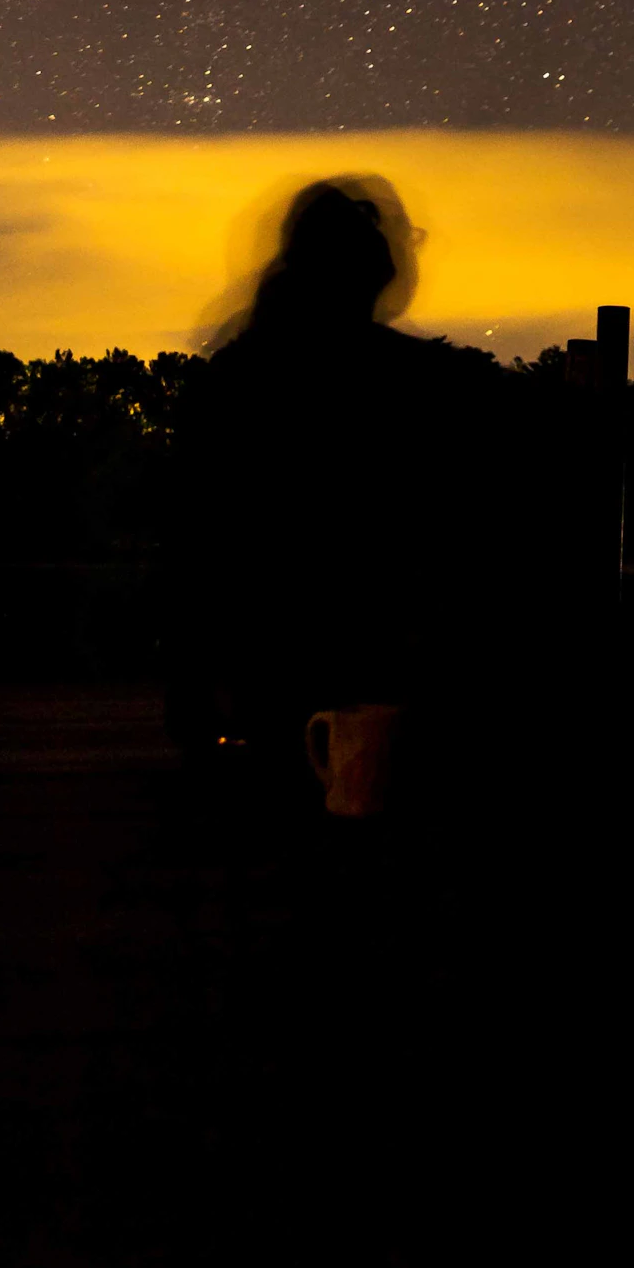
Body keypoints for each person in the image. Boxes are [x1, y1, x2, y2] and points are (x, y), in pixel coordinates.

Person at [169, 177, 512, 806]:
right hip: (391, 684)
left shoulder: (231, 381)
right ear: (377, 268)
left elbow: (196, 549)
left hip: (263, 684)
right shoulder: (431, 387)